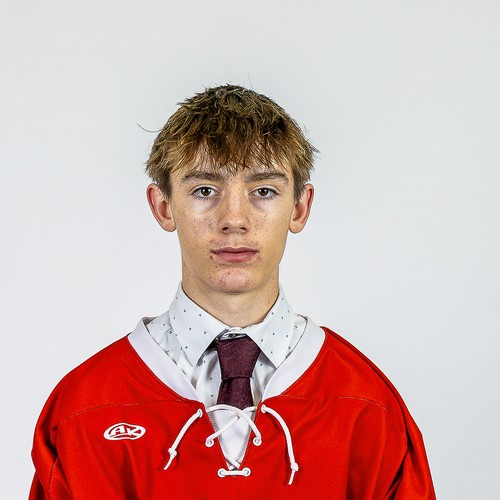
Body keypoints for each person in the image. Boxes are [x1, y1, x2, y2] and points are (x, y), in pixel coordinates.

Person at [30, 85, 436, 499]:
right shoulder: (83, 408)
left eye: (263, 191)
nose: (234, 219)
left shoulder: (366, 405)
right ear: (163, 206)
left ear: (299, 208)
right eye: (205, 190)